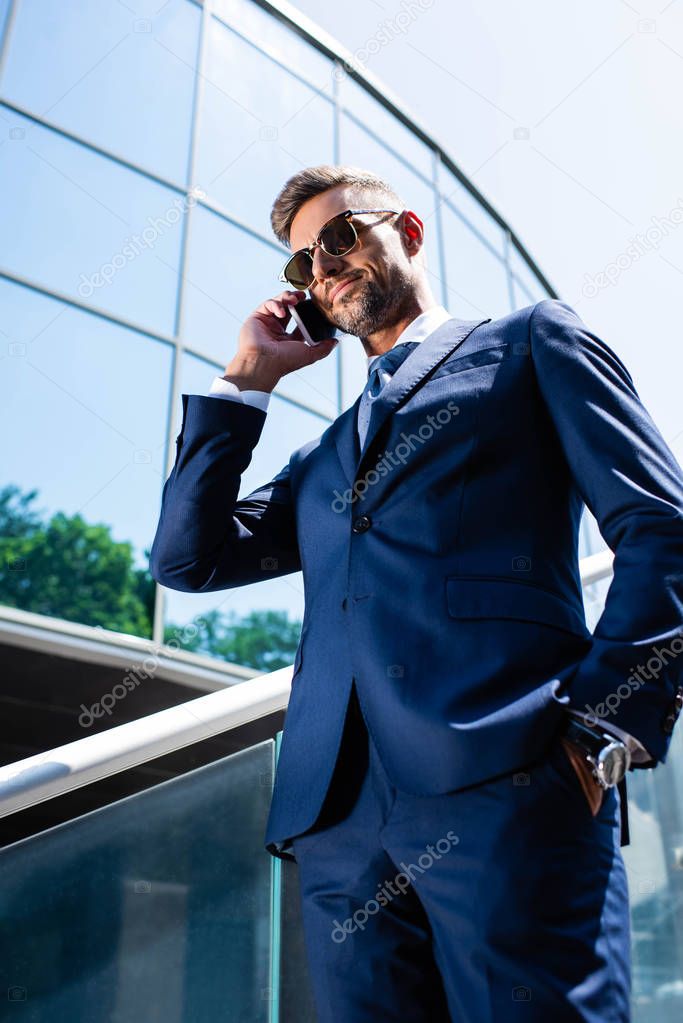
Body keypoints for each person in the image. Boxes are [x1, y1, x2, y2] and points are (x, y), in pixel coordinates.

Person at [150, 165, 683, 1022]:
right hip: (335, 822)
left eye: (338, 235)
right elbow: (186, 557)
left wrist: (604, 728)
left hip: (510, 781)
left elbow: (661, 526)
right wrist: (244, 382)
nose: (321, 268)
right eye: (300, 266)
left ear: (407, 228)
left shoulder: (530, 343)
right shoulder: (323, 456)